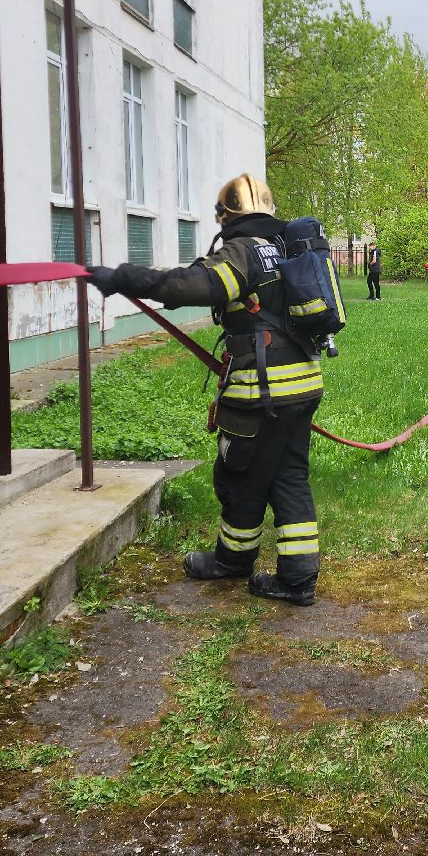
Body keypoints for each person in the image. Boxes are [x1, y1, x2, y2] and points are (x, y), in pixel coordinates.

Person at [88, 173, 323, 607]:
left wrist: (123, 278)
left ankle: (233, 560)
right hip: (303, 384)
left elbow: (197, 286)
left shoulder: (243, 250)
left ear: (226, 215)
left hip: (261, 393)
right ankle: (298, 576)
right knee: (289, 475)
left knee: (240, 476)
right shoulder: (285, 247)